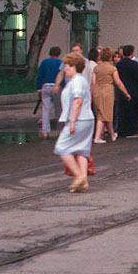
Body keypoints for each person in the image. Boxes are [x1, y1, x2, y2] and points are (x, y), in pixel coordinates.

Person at [53, 53, 94, 193]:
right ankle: (84, 182)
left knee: (62, 148)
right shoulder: (80, 80)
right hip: (86, 119)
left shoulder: (76, 81)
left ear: (74, 67)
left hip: (78, 119)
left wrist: (71, 122)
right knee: (81, 151)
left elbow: (78, 101)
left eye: (67, 66)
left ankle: (79, 176)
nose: (65, 69)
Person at [92, 47, 130, 143]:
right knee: (105, 114)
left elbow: (93, 82)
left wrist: (91, 94)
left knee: (102, 113)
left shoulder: (96, 68)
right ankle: (98, 136)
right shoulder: (112, 69)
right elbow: (118, 82)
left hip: (97, 90)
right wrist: (126, 93)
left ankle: (112, 134)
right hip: (107, 91)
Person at [115, 45, 138, 138]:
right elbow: (137, 78)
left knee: (122, 111)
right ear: (132, 53)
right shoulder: (134, 64)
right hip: (133, 90)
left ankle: (122, 130)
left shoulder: (119, 64)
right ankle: (131, 130)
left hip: (122, 90)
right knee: (133, 112)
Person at [35, 46, 63, 139]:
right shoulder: (60, 62)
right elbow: (62, 75)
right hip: (56, 86)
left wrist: (39, 88)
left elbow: (39, 76)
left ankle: (45, 131)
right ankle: (60, 130)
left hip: (45, 86)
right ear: (58, 54)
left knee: (45, 109)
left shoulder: (44, 62)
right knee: (58, 109)